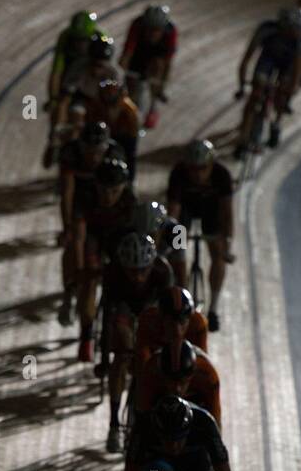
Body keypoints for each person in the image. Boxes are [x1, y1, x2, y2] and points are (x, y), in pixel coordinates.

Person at [100, 232, 174, 451]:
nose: (138, 277)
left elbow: (169, 319)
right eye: (132, 271)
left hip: (151, 311)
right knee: (121, 355)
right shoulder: (113, 274)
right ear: (123, 266)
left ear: (152, 264)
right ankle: (114, 424)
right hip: (124, 308)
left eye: (143, 270)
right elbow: (107, 318)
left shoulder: (163, 272)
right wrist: (107, 357)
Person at [57, 121, 126, 325]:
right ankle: (71, 291)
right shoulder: (70, 154)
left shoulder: (115, 155)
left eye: (98, 152)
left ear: (105, 149)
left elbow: (122, 190)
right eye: (89, 151)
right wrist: (66, 227)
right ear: (81, 147)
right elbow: (67, 193)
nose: (93, 157)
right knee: (75, 239)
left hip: (105, 197)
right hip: (82, 198)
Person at [72, 156, 136, 362]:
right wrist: (82, 268)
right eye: (104, 191)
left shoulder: (129, 201)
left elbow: (134, 239)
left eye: (114, 191)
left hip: (118, 241)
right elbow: (80, 237)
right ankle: (86, 335)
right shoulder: (84, 197)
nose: (108, 197)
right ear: (95, 187)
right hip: (94, 238)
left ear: (123, 188)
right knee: (90, 280)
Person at [166, 140, 234, 331]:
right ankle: (182, 301)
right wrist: (172, 243)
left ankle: (213, 309)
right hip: (185, 211)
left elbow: (227, 214)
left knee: (218, 254)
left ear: (211, 165)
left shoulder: (222, 175)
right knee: (177, 253)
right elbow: (173, 213)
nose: (197, 174)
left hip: (210, 212)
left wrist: (227, 243)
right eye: (193, 169)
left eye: (202, 169)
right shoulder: (178, 174)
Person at [234, 7, 301, 158]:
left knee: (282, 95)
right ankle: (243, 137)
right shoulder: (267, 30)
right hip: (268, 59)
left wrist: (289, 92)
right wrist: (242, 86)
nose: (297, 32)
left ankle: (276, 123)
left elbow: (297, 71)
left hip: (288, 65)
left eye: (299, 29)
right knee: (256, 94)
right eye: (295, 29)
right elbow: (246, 60)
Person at [136, 338, 222, 428]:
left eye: (182, 382)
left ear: (192, 376)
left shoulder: (208, 376)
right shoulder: (150, 372)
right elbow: (142, 414)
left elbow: (215, 421)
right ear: (161, 375)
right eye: (171, 381)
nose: (177, 388)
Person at [119, 3, 178, 128]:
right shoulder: (137, 25)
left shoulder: (171, 31)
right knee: (131, 85)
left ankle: (153, 107)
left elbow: (167, 63)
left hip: (157, 54)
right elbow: (127, 54)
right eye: (149, 29)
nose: (152, 33)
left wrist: (161, 85)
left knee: (158, 65)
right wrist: (122, 75)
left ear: (163, 29)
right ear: (144, 26)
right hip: (140, 51)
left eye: (156, 30)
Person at [55, 35, 125, 133]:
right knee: (76, 121)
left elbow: (117, 103)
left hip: (103, 103)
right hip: (83, 99)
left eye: (100, 66)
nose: (96, 70)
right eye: (94, 64)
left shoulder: (115, 74)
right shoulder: (79, 67)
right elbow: (65, 97)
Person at [135, 285, 208, 377]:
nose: (177, 330)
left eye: (182, 322)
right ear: (160, 319)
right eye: (171, 323)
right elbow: (143, 360)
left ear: (190, 319)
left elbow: (202, 363)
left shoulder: (198, 323)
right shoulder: (148, 320)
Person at [46, 9, 100, 119]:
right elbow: (56, 72)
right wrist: (53, 98)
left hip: (92, 73)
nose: (79, 44)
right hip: (71, 73)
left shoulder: (101, 39)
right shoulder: (65, 37)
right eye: (76, 39)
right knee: (59, 105)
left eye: (84, 40)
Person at [89, 76, 141, 179]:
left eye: (111, 93)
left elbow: (133, 132)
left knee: (130, 156)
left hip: (125, 135)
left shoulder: (129, 109)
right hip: (106, 133)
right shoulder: (97, 104)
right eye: (106, 93)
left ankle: (130, 180)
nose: (109, 96)